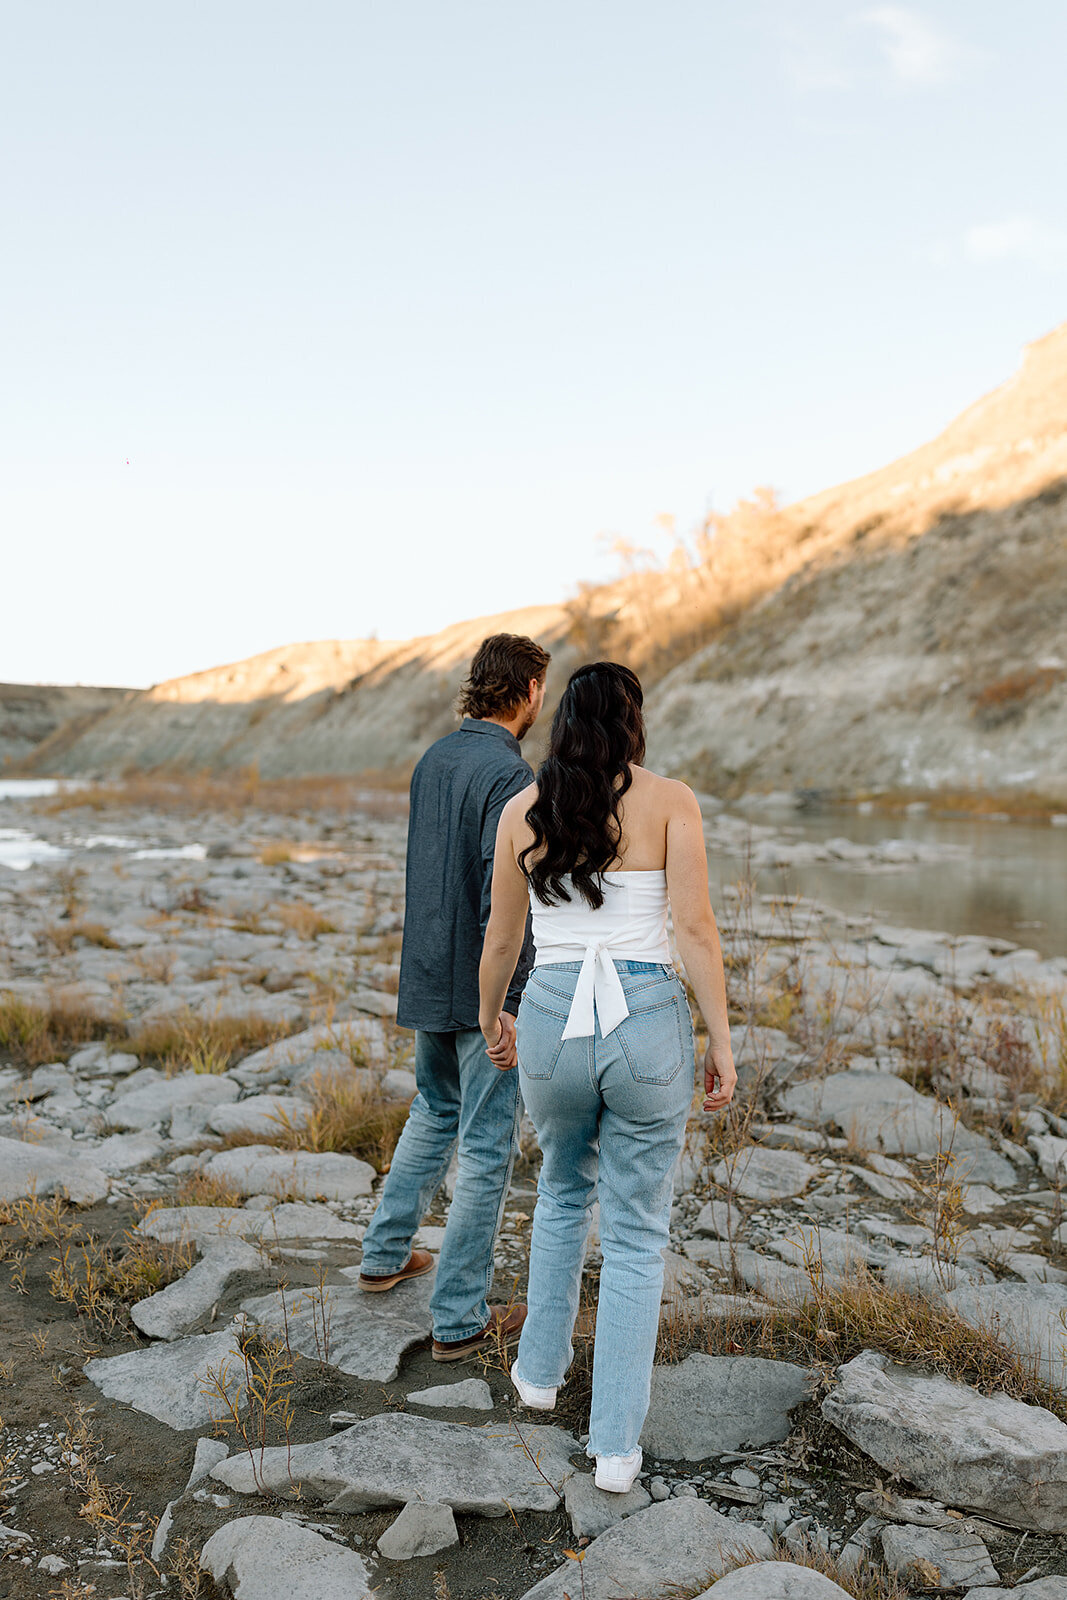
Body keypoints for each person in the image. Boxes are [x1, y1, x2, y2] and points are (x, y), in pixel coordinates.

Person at [479, 661, 736, 1490]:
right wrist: (721, 1041)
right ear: (632, 720)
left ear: (561, 721)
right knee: (634, 1230)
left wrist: (493, 1019)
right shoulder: (670, 801)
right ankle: (616, 1448)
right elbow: (693, 931)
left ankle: (538, 1377)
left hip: (551, 1016)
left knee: (559, 1190)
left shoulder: (523, 809)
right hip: (644, 1022)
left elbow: (500, 943)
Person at [358, 632, 551, 1362]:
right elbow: (499, 901)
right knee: (484, 1144)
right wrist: (505, 999)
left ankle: (382, 1257)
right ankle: (460, 1318)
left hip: (426, 975)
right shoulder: (510, 775)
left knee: (432, 1110)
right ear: (530, 690)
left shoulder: (432, 759)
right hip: (480, 989)